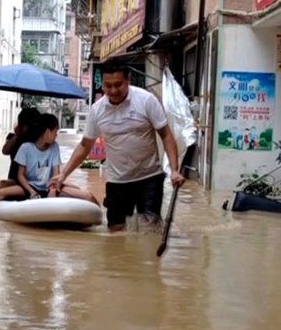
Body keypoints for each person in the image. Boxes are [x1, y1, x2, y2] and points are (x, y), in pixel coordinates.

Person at [50, 63, 184, 232]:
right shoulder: (97, 110)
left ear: (128, 80)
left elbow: (166, 135)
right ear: (102, 84)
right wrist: (63, 174)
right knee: (115, 230)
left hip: (149, 177)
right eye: (108, 85)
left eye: (118, 84)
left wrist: (174, 170)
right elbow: (85, 146)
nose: (113, 90)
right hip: (117, 180)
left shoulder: (146, 100)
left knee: (150, 230)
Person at [13, 113, 98, 204]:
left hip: (49, 187)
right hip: (29, 187)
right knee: (1, 192)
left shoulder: (54, 147)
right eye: (55, 132)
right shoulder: (25, 148)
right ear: (47, 132)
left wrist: (52, 190)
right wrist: (32, 192)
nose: (56, 135)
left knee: (88, 196)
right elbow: (20, 175)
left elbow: (56, 173)